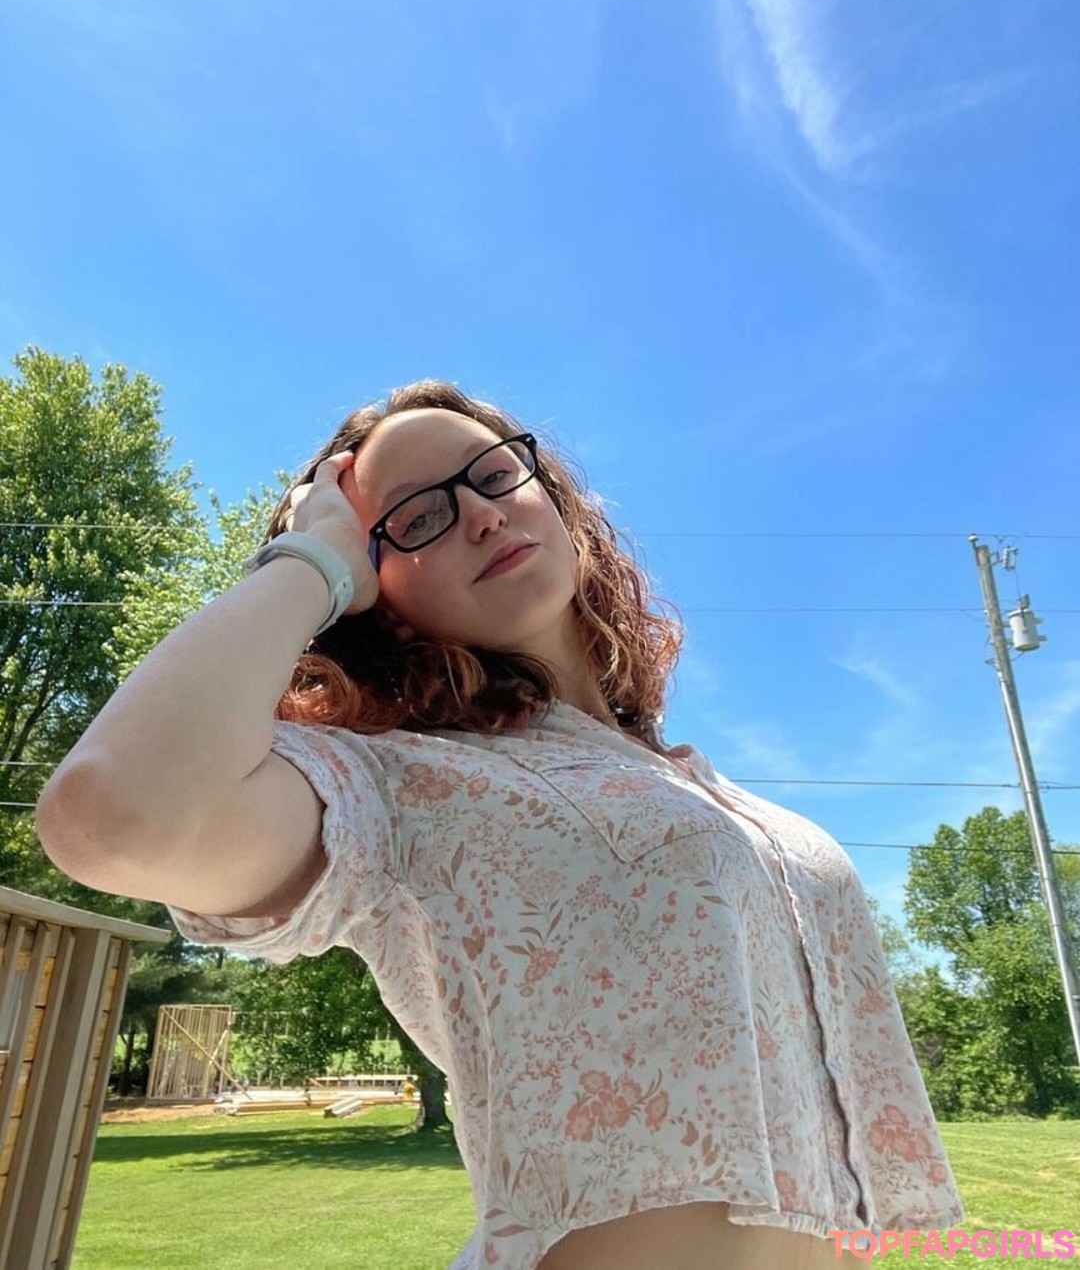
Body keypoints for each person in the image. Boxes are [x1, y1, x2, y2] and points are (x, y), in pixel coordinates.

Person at [36, 381, 964, 1270]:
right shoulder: (401, 786)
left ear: (559, 507)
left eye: (493, 476)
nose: (480, 514)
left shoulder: (720, 795)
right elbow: (116, 815)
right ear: (376, 595)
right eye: (418, 517)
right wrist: (310, 561)